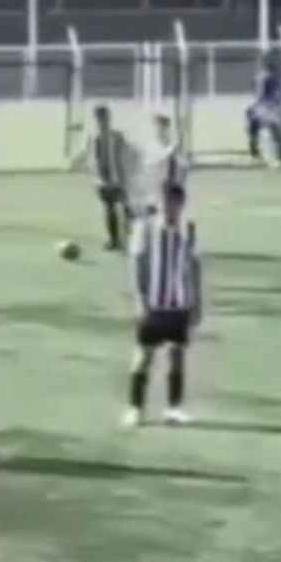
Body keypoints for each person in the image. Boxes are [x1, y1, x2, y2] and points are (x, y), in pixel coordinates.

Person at [122, 184, 203, 428]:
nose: (169, 208)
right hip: (153, 304)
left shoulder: (189, 230)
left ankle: (173, 408)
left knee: (177, 356)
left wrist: (196, 302)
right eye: (166, 203)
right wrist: (140, 298)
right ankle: (135, 409)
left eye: (174, 204)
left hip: (179, 304)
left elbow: (194, 266)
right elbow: (137, 263)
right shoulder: (146, 229)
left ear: (181, 205)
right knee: (143, 357)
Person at [89, 105, 131, 251]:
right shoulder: (95, 138)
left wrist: (124, 176)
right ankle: (114, 240)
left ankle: (128, 237)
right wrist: (101, 179)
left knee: (126, 207)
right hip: (104, 179)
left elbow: (125, 154)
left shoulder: (117, 136)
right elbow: (95, 160)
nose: (102, 122)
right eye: (99, 119)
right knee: (110, 208)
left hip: (120, 177)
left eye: (105, 118)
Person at [247, 58, 281, 167]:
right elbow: (261, 94)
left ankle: (278, 158)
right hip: (265, 107)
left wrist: (272, 105)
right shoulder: (265, 79)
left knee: (273, 131)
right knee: (256, 128)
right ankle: (256, 155)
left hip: (268, 107)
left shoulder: (270, 79)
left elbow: (273, 95)